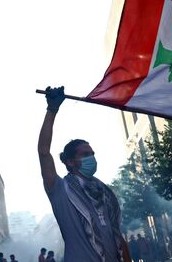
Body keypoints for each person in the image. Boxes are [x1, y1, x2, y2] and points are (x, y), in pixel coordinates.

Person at [38, 86, 132, 261]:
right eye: (85, 155)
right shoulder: (59, 189)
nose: (92, 158)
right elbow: (44, 152)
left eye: (92, 154)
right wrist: (52, 110)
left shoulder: (104, 192)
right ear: (70, 161)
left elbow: (117, 235)